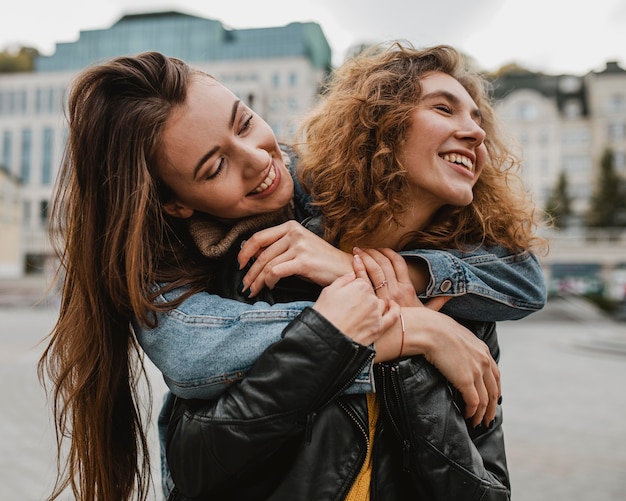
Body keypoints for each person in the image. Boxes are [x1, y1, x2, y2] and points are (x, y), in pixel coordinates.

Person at [37, 44, 545, 501]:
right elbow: (197, 458)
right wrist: (400, 332)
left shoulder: (461, 300)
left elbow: (485, 487)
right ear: (377, 125)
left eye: (245, 122)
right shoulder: (251, 268)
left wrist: (386, 316)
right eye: (214, 168)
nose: (260, 158)